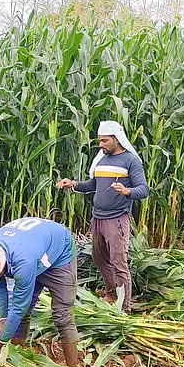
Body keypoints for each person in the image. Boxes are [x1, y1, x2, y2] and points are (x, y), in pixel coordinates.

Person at [55, 120, 149, 312]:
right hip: (98, 218)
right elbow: (93, 185)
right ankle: (111, 293)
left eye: (104, 141)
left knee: (118, 262)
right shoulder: (102, 160)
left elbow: (144, 189)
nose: (101, 145)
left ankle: (124, 307)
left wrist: (126, 191)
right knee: (99, 258)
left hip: (117, 219)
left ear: (116, 139)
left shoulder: (130, 161)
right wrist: (72, 184)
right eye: (99, 141)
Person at [0, 216, 80, 367]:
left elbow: (18, 308)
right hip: (34, 248)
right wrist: (2, 322)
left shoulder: (23, 263)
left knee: (62, 317)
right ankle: (19, 360)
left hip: (59, 253)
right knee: (21, 316)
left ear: (2, 263)